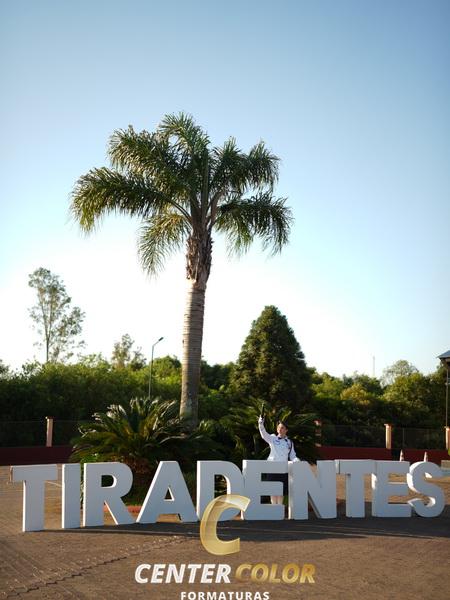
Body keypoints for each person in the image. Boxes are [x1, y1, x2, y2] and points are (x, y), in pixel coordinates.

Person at [258, 415, 299, 505]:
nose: (280, 429)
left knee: (281, 491)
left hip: (283, 469)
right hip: (272, 468)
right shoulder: (272, 438)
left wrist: (297, 461)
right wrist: (260, 424)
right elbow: (264, 434)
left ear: (286, 430)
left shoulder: (289, 442)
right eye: (279, 427)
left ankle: (280, 508)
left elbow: (292, 456)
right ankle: (274, 509)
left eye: (282, 428)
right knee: (272, 491)